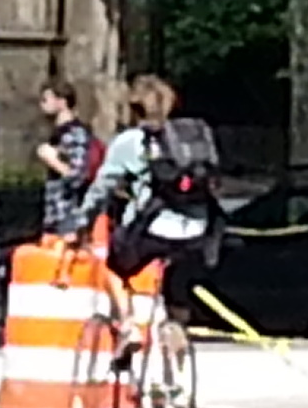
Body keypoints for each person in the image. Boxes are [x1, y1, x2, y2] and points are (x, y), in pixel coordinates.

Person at [61, 74, 226, 365]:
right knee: (177, 287)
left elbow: (102, 188)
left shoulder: (130, 142)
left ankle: (129, 328)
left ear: (135, 109)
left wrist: (80, 223)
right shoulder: (189, 140)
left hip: (154, 226)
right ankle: (176, 370)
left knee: (113, 266)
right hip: (199, 229)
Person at [35, 77, 99, 240]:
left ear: (61, 101)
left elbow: (78, 176)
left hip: (69, 217)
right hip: (55, 215)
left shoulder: (75, 134)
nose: (42, 104)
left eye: (46, 99)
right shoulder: (58, 133)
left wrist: (53, 160)